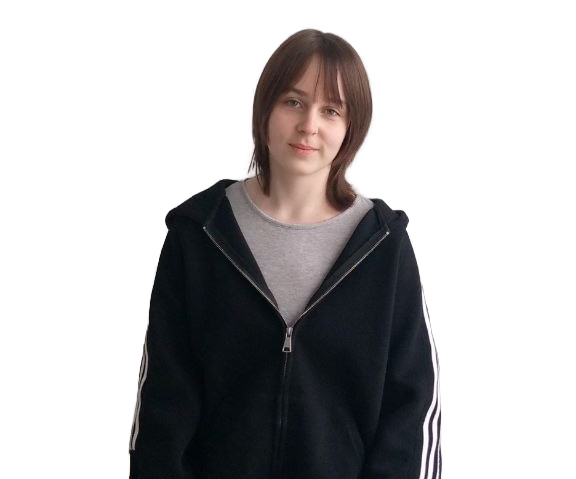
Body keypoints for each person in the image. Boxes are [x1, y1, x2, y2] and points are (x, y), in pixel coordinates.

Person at [128, 27, 442, 479]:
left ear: (351, 127)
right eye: (293, 101)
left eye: (331, 110)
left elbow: (412, 410)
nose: (308, 125)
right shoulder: (199, 233)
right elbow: (162, 403)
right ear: (265, 107)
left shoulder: (383, 247)